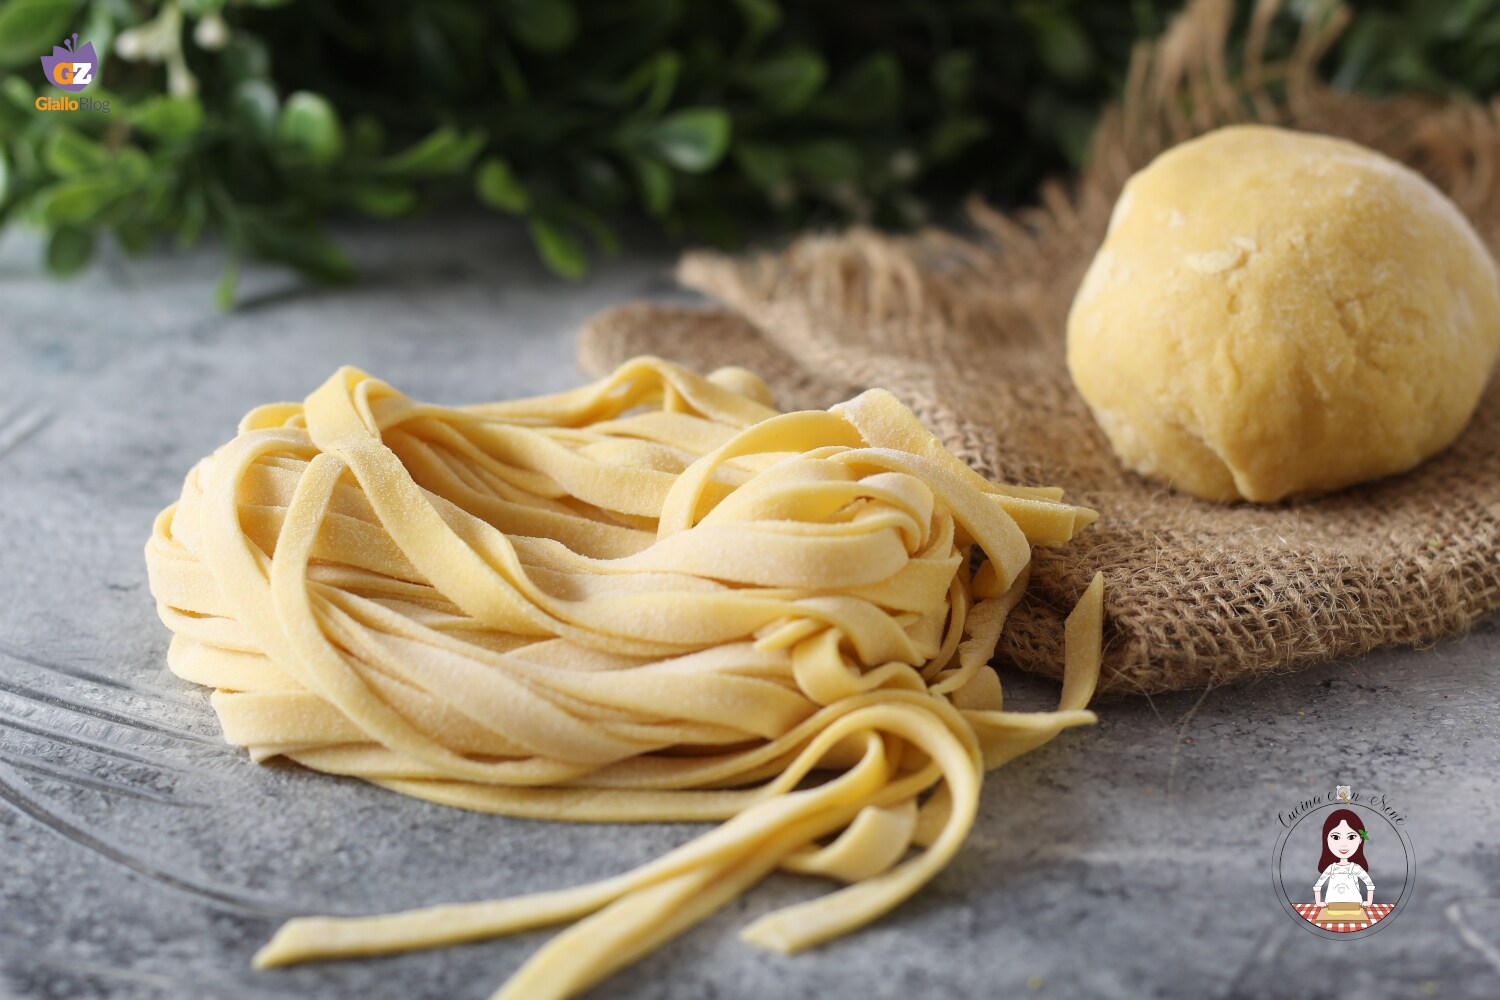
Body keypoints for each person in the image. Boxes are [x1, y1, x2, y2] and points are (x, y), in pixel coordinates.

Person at [1313, 808, 1375, 911]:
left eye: (1351, 837)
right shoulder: (1331, 868)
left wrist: (1369, 901)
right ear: (1326, 839)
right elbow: (1318, 885)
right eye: (1336, 837)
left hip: (1354, 906)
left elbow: (1369, 884)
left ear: (1360, 840)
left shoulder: (1355, 868)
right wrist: (1319, 902)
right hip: (1332, 907)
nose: (1343, 844)